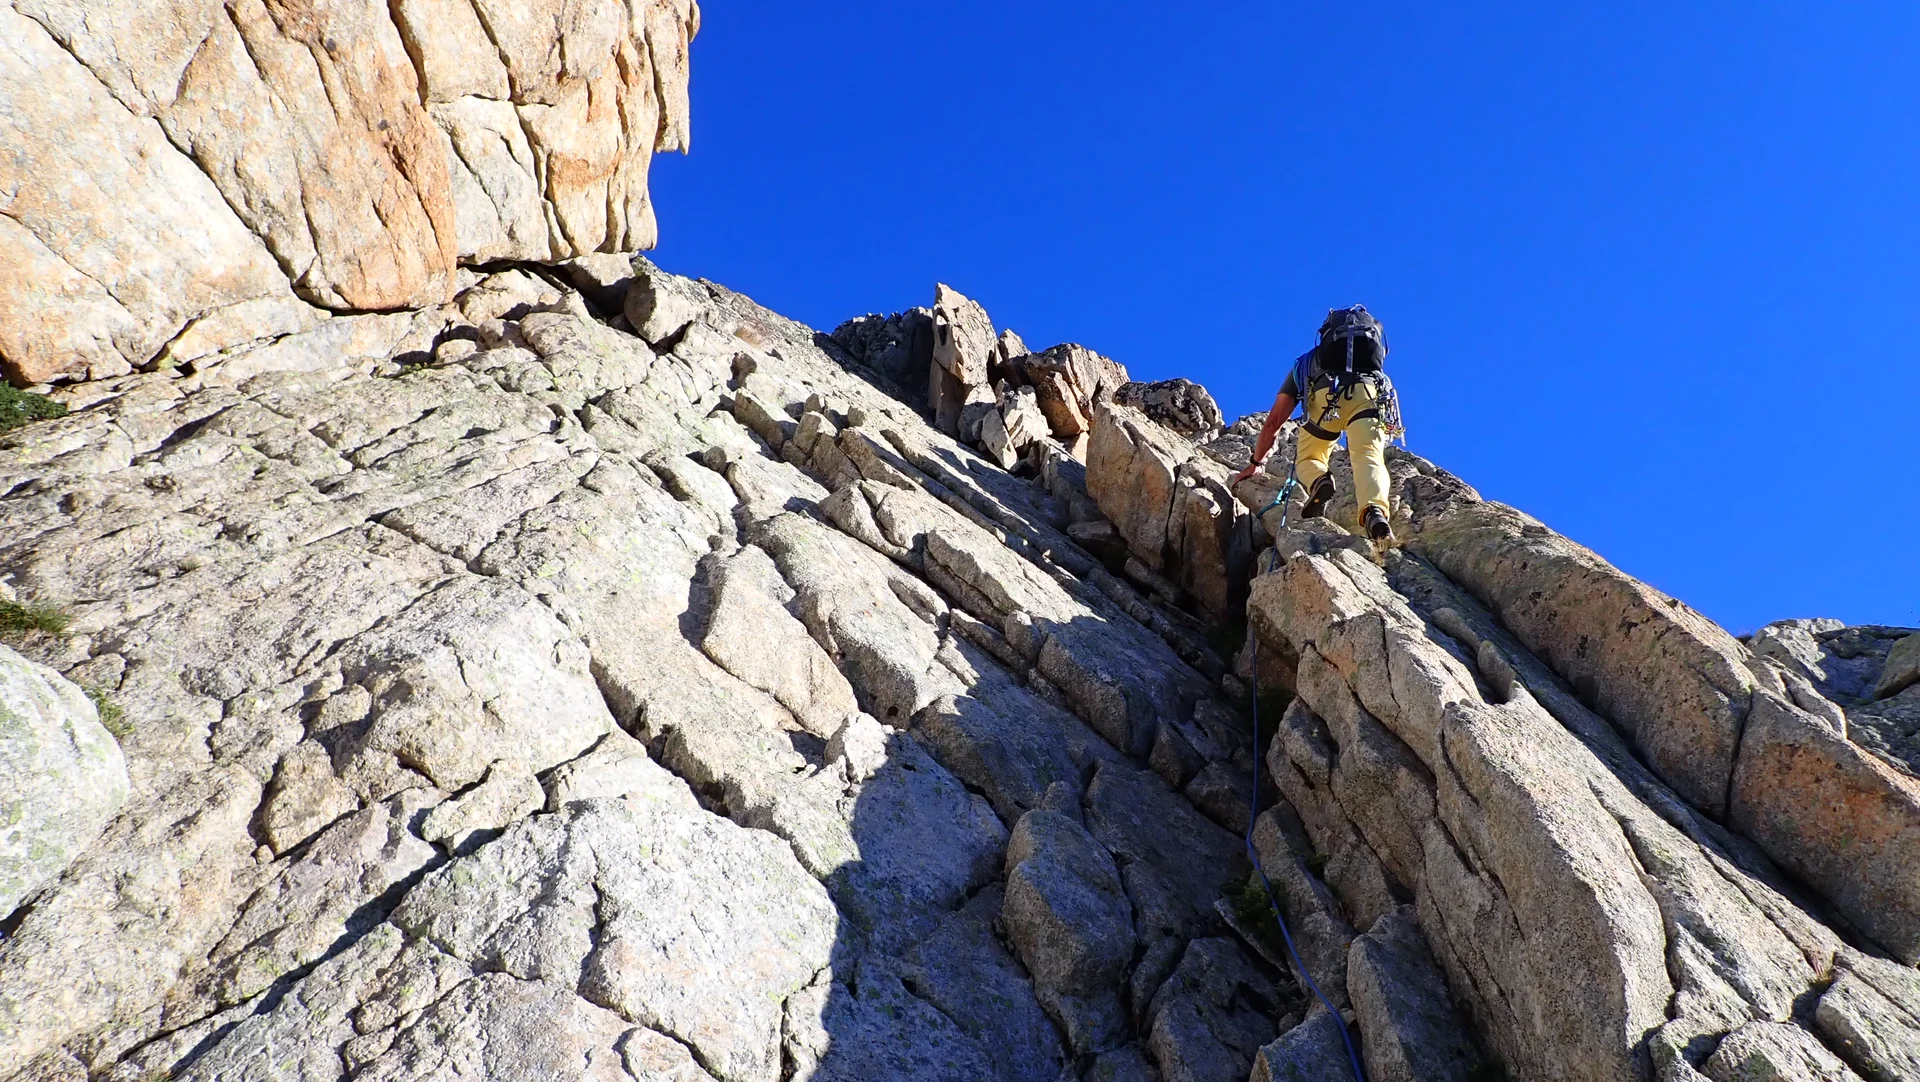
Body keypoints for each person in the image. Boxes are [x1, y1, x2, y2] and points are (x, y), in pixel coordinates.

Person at [1232, 305, 1402, 543]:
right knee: (1368, 456)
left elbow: (1273, 422)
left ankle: (1319, 479)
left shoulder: (1305, 363)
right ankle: (1375, 513)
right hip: (1368, 395)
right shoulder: (1371, 365)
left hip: (1326, 399)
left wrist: (1255, 462)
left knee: (1308, 457)